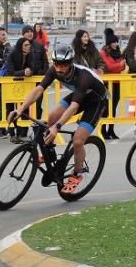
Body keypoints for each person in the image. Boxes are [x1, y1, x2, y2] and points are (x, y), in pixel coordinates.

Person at [8, 44, 109, 194]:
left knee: (78, 140)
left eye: (63, 65)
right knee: (52, 116)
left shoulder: (83, 77)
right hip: (80, 95)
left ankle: (77, 173)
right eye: (56, 64)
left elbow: (74, 106)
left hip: (96, 101)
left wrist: (57, 127)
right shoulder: (53, 70)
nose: (59, 69)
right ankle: (50, 153)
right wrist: (20, 109)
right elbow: (38, 90)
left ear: (70, 63)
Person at [100, 30, 125, 139]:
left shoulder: (118, 52)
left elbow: (123, 67)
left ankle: (111, 130)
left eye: (117, 42)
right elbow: (108, 67)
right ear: (109, 43)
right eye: (114, 42)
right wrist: (120, 65)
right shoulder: (103, 52)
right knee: (106, 107)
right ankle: (103, 130)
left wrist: (119, 66)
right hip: (106, 84)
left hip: (116, 83)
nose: (116, 44)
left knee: (114, 107)